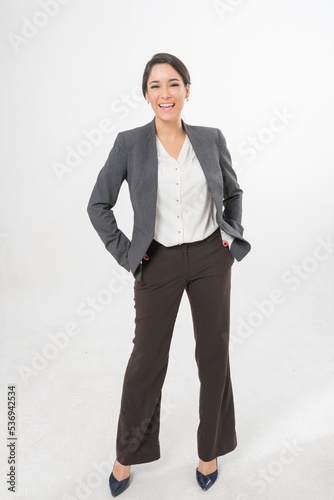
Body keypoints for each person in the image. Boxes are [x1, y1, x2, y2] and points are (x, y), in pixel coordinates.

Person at [87, 52, 251, 497]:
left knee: (213, 353)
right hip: (155, 262)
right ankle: (127, 456)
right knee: (146, 361)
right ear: (146, 95)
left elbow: (233, 192)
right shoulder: (129, 144)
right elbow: (97, 205)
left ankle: (209, 450)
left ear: (187, 91)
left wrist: (229, 234)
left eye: (174, 83)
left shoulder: (211, 138)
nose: (166, 93)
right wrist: (128, 254)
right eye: (156, 85)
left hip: (209, 260)